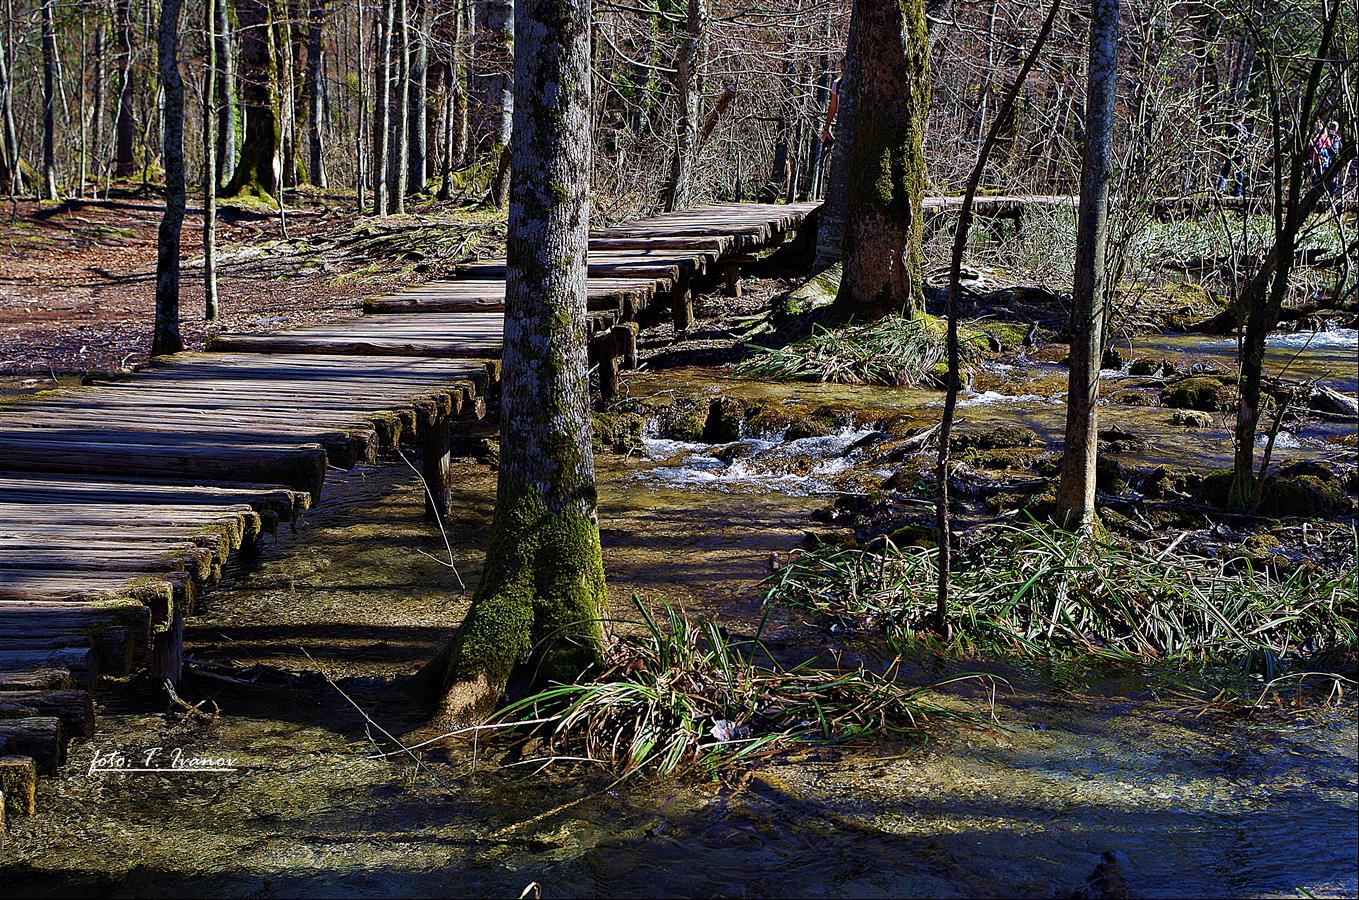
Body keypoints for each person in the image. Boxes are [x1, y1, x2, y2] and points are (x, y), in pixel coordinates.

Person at [1217, 114, 1249, 197]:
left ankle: (1220, 189)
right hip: (1238, 154)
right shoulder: (1243, 129)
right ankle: (1237, 192)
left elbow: (1224, 142)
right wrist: (1243, 156)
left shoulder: (1229, 128)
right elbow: (1244, 144)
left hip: (1229, 153)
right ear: (1242, 118)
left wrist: (1223, 154)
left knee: (1225, 172)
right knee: (1239, 173)